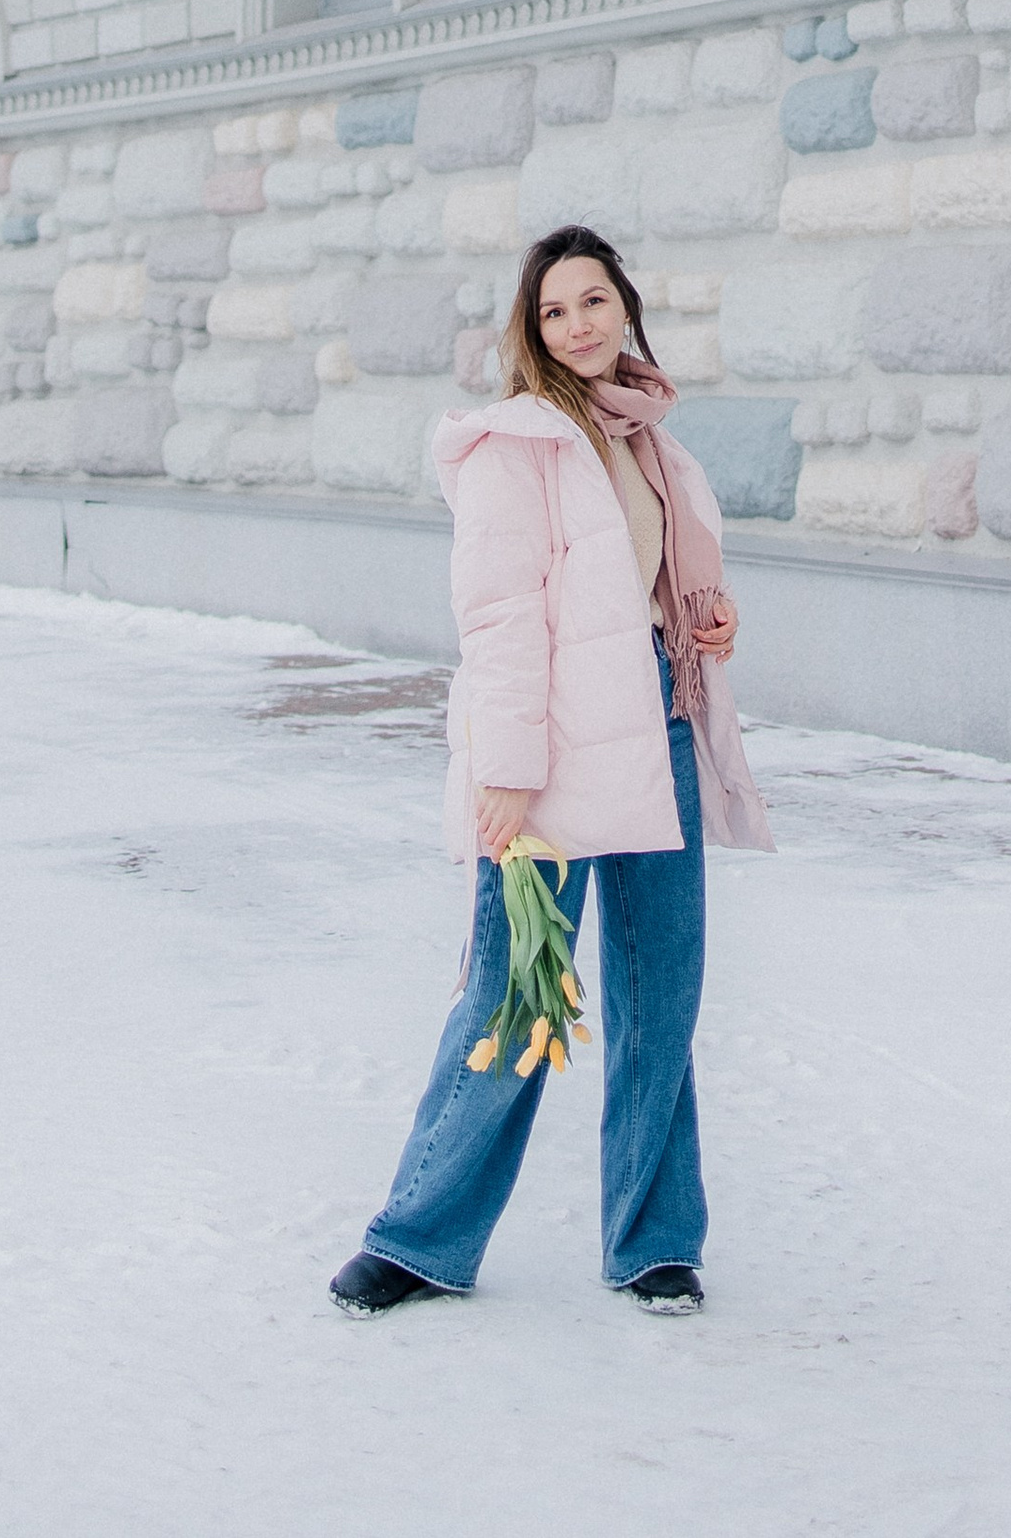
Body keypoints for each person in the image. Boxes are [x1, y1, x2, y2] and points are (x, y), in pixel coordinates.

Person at [330, 222, 772, 1317]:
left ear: (625, 307)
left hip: (655, 736)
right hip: (547, 757)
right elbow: (501, 621)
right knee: (512, 992)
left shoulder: (653, 441)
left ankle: (657, 1241)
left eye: (593, 302)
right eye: (553, 310)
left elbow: (653, 586)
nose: (577, 324)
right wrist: (508, 771)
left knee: (658, 996)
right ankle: (418, 1238)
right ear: (531, 331)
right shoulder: (513, 445)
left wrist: (706, 625)